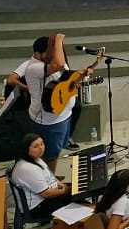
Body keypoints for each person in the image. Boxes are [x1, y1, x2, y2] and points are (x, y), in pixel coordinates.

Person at [22, 33, 97, 168]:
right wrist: (58, 39)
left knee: (57, 150)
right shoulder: (33, 68)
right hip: (49, 121)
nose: (53, 57)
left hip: (64, 115)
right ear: (38, 54)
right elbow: (60, 64)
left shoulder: (53, 61)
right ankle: (50, 180)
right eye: (50, 54)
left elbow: (67, 79)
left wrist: (83, 74)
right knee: (50, 156)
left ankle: (52, 177)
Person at [9, 133, 73, 218]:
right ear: (26, 150)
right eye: (36, 146)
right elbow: (46, 193)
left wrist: (61, 185)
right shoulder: (28, 168)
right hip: (38, 207)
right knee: (79, 200)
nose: (41, 148)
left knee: (76, 190)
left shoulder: (36, 158)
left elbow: (50, 177)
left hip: (46, 197)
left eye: (42, 144)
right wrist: (66, 190)